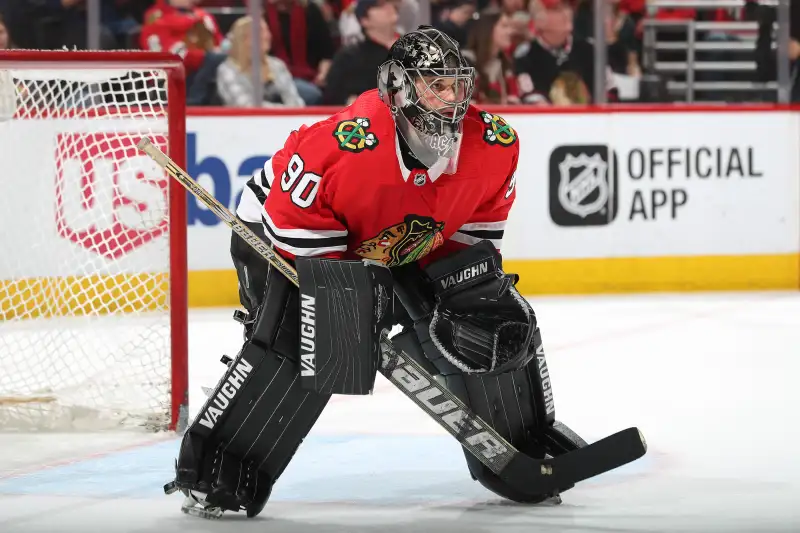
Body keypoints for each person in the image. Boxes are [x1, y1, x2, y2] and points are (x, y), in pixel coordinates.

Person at [166, 26, 579, 520]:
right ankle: (219, 467)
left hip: (398, 240)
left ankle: (520, 444)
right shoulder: (340, 150)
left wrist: (455, 298)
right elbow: (293, 230)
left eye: (456, 85)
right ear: (400, 88)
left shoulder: (494, 144)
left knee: (479, 306)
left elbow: (469, 250)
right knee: (306, 339)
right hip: (285, 232)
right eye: (435, 85)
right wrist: (352, 306)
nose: (451, 100)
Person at [216, 16, 305, 107]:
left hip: (285, 119)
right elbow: (245, 106)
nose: (267, 36)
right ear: (243, 39)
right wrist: (284, 111)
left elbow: (296, 103)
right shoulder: (228, 70)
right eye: (260, 32)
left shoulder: (277, 65)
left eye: (267, 31)